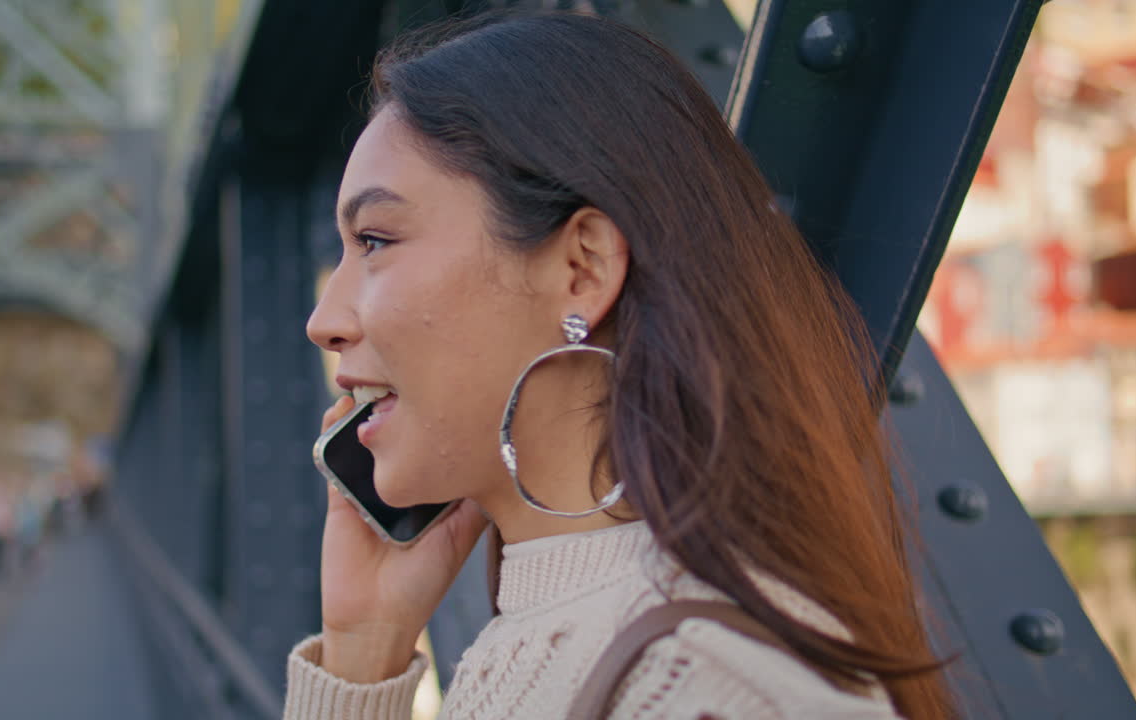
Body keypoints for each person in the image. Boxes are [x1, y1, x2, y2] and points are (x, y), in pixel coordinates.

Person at [290, 12, 954, 720]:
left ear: (584, 267)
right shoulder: (553, 630)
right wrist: (363, 649)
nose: (323, 322)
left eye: (375, 240)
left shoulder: (711, 685)